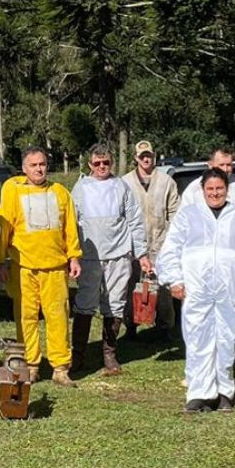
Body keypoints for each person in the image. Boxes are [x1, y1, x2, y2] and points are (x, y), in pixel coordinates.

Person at [157, 168, 235, 414]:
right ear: (202, 190)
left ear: (227, 189)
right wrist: (174, 280)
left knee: (226, 341)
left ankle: (224, 392)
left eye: (219, 188)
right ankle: (199, 393)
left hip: (232, 290)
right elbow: (171, 249)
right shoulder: (188, 215)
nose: (215, 193)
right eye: (210, 189)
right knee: (198, 340)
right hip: (197, 291)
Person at [0, 147, 84, 386]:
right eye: (33, 165)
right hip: (23, 267)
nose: (39, 169)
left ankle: (60, 367)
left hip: (55, 268)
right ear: (24, 168)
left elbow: (70, 228)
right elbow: (3, 227)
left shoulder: (60, 192)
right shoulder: (13, 190)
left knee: (58, 317)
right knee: (26, 318)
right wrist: (0, 260)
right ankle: (31, 365)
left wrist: (73, 257)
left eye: (42, 164)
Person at [70, 143, 149, 376]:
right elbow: (71, 222)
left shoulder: (121, 187)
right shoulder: (80, 188)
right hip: (90, 256)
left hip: (119, 254)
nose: (102, 167)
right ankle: (78, 354)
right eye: (97, 163)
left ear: (111, 163)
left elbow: (134, 220)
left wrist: (141, 253)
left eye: (106, 163)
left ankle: (110, 353)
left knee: (115, 303)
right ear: (89, 165)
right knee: (85, 303)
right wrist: (71, 255)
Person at [122, 140, 180, 341]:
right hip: (134, 246)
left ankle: (165, 327)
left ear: (154, 156)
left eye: (149, 155)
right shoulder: (126, 182)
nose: (146, 159)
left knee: (163, 289)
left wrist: (171, 241)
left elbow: (174, 212)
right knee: (132, 286)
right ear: (136, 158)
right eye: (142, 156)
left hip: (161, 244)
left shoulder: (166, 182)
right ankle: (130, 325)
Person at [178, 147, 235, 211]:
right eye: (221, 165)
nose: (225, 169)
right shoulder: (194, 188)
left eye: (228, 165)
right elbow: (183, 217)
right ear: (210, 165)